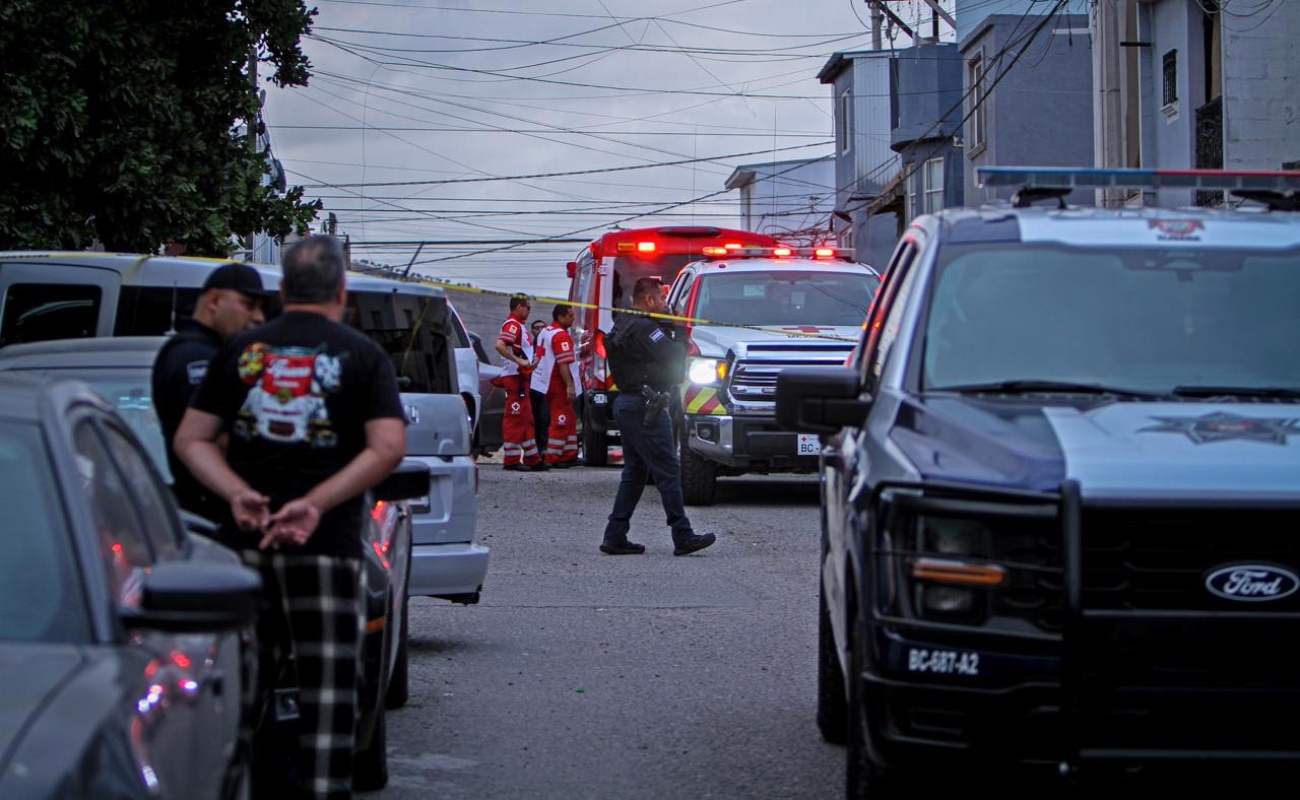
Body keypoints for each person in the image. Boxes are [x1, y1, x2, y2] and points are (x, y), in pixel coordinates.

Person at [174, 235, 407, 800]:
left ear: (282, 290)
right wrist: (316, 503)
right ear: (341, 291)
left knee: (237, 695)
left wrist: (238, 493)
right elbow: (387, 446)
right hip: (325, 548)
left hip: (245, 549)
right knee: (328, 698)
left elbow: (191, 438)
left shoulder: (243, 351)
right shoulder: (360, 354)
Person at [600, 277, 716, 556]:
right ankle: (682, 534)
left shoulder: (623, 324)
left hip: (629, 403)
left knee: (636, 472)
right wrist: (678, 329)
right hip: (646, 406)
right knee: (667, 468)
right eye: (662, 299)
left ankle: (615, 534)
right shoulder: (645, 329)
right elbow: (675, 357)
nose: (665, 304)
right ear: (650, 301)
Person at [151, 262, 268, 521]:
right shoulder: (196, 356)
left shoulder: (211, 352)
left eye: (260, 308)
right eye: (248, 305)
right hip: (205, 510)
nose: (258, 318)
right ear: (214, 300)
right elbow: (212, 437)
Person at [493, 295, 544, 471]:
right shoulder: (513, 325)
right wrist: (519, 361)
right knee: (514, 419)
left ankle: (532, 459)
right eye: (528, 308)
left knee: (526, 419)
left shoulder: (519, 327)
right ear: (519, 307)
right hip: (515, 379)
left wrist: (532, 361)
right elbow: (500, 345)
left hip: (522, 379)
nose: (530, 311)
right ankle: (512, 460)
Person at [531, 303, 580, 467]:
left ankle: (569, 454)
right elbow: (563, 363)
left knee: (570, 417)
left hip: (545, 380)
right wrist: (570, 385)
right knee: (561, 418)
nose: (573, 319)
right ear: (560, 317)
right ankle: (553, 457)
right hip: (557, 381)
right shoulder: (560, 336)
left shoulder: (546, 331)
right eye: (570, 316)